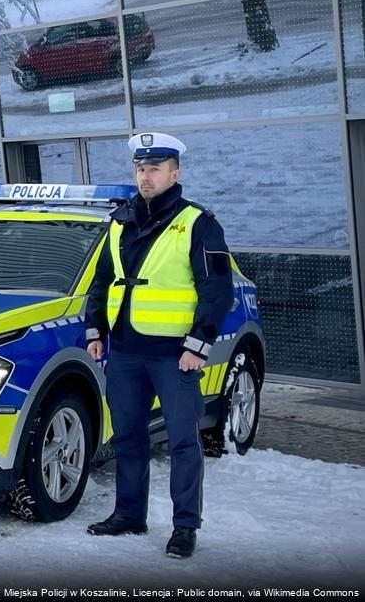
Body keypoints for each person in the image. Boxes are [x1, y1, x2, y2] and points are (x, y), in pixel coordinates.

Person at [84, 132, 233, 559]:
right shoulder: (120, 220)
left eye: (153, 169)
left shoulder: (198, 223)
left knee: (184, 441)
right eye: (140, 169)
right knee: (128, 437)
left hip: (174, 355)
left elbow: (216, 290)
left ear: (175, 173)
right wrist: (95, 331)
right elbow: (101, 280)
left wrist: (198, 344)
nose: (145, 176)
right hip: (126, 351)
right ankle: (129, 514)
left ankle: (185, 527)